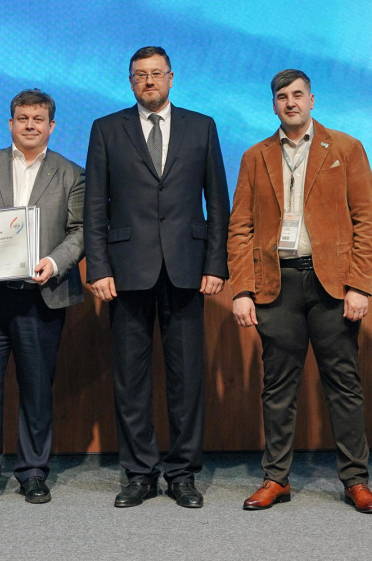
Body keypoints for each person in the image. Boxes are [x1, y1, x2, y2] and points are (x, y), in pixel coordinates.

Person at [227, 70, 372, 514]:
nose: (291, 102)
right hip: (277, 283)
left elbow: (366, 221)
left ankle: (356, 480)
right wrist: (242, 289)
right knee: (277, 387)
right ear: (274, 104)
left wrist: (360, 285)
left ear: (312, 100)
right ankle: (276, 478)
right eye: (282, 96)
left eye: (298, 94)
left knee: (344, 385)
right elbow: (240, 228)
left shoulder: (346, 148)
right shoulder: (255, 156)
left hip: (332, 284)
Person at [83, 45, 230, 509]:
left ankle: (182, 474)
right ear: (131, 82)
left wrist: (215, 263)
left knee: (187, 379)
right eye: (139, 75)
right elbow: (94, 205)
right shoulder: (107, 128)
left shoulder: (202, 126)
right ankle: (139, 473)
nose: (148, 81)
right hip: (126, 271)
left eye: (156, 73)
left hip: (187, 268)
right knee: (130, 379)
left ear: (171, 77)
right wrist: (98, 266)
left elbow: (217, 202)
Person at [0, 89, 86, 506]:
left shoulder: (72, 173)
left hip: (41, 296)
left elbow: (81, 230)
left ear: (51, 126)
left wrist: (55, 262)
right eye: (22, 118)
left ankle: (32, 472)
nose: (30, 125)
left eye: (38, 119)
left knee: (37, 390)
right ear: (10, 123)